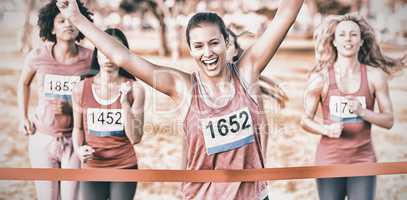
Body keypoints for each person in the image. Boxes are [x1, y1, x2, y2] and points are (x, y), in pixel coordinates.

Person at [56, 0, 303, 199]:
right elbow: (123, 57)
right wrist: (78, 18)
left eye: (214, 43)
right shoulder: (182, 86)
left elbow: (285, 16)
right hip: (203, 196)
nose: (207, 53)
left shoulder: (247, 73)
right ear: (190, 49)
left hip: (252, 195)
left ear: (227, 43)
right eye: (198, 46)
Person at [301, 14, 406, 200]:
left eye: (353, 34)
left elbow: (389, 120)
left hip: (363, 160)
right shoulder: (321, 78)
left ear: (361, 41)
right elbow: (305, 120)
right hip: (329, 161)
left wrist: (362, 111)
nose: (348, 39)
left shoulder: (375, 76)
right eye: (342, 35)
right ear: (333, 41)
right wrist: (325, 129)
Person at [17, 1, 93, 200]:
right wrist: (23, 116)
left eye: (72, 20)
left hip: (75, 139)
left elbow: (96, 97)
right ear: (51, 26)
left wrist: (71, 108)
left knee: (71, 197)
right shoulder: (38, 55)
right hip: (43, 137)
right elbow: (23, 84)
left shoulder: (90, 59)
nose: (68, 25)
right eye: (61, 21)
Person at [71, 28, 144, 200]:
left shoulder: (136, 89)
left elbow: (136, 138)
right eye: (104, 49)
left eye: (115, 50)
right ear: (96, 52)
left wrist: (125, 102)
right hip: (92, 166)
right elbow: (77, 128)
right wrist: (78, 150)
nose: (109, 56)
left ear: (124, 54)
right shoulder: (80, 88)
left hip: (124, 166)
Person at [226, 28, 289, 161]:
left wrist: (274, 88)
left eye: (229, 44)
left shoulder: (243, 70)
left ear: (236, 50)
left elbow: (262, 123)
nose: (225, 49)